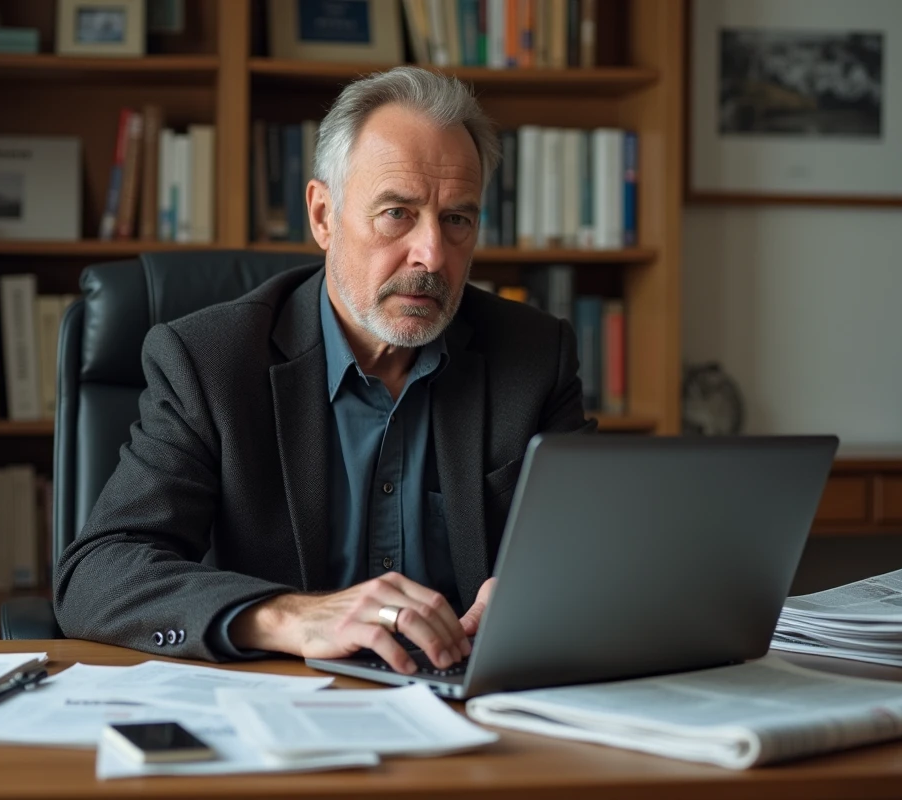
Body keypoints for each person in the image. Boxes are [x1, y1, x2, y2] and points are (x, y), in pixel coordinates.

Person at [53, 66, 590, 674]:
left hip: (471, 711)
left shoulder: (533, 356)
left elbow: (601, 549)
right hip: (281, 714)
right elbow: (97, 573)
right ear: (323, 215)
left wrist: (552, 592)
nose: (432, 254)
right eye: (397, 213)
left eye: (457, 219)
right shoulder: (210, 362)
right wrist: (292, 616)